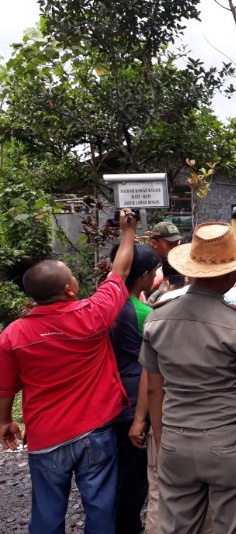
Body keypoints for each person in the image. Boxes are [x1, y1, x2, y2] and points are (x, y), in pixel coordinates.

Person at [140, 222, 236, 533]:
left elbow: (155, 391)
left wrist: (163, 444)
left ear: (190, 271)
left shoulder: (156, 319)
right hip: (227, 445)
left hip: (175, 441)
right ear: (233, 274)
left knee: (175, 526)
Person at [0, 209, 138, 533]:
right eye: (71, 275)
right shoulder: (93, 315)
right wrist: (128, 232)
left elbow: (5, 388)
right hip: (96, 432)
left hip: (46, 437)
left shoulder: (13, 336)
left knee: (47, 511)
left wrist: (5, 420)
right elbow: (121, 271)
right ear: (69, 289)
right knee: (101, 507)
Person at [109, 244, 160, 534]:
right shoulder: (144, 313)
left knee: (112, 472)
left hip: (108, 398)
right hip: (135, 400)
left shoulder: (103, 306)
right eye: (153, 271)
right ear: (144, 276)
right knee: (135, 475)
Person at [146, 221, 183, 305]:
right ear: (154, 243)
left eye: (177, 243)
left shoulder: (179, 263)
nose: (175, 248)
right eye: (171, 244)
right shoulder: (147, 266)